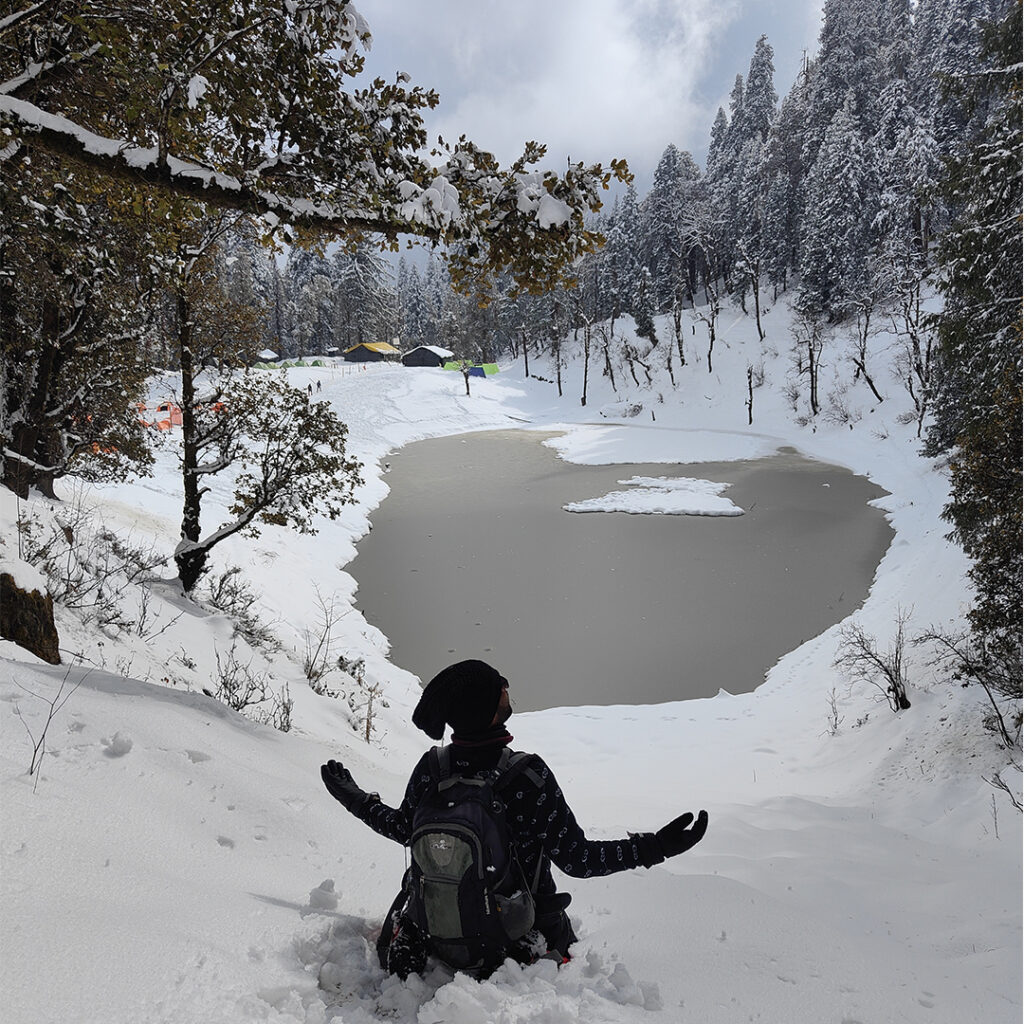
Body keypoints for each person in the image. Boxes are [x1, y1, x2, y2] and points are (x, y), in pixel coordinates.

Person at [320, 659, 709, 977]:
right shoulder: (527, 776)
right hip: (514, 946)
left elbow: (403, 830)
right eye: (499, 687)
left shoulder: (432, 768)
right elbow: (579, 860)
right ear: (487, 710)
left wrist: (352, 796)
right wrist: (656, 847)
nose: (507, 687)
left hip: (436, 934)